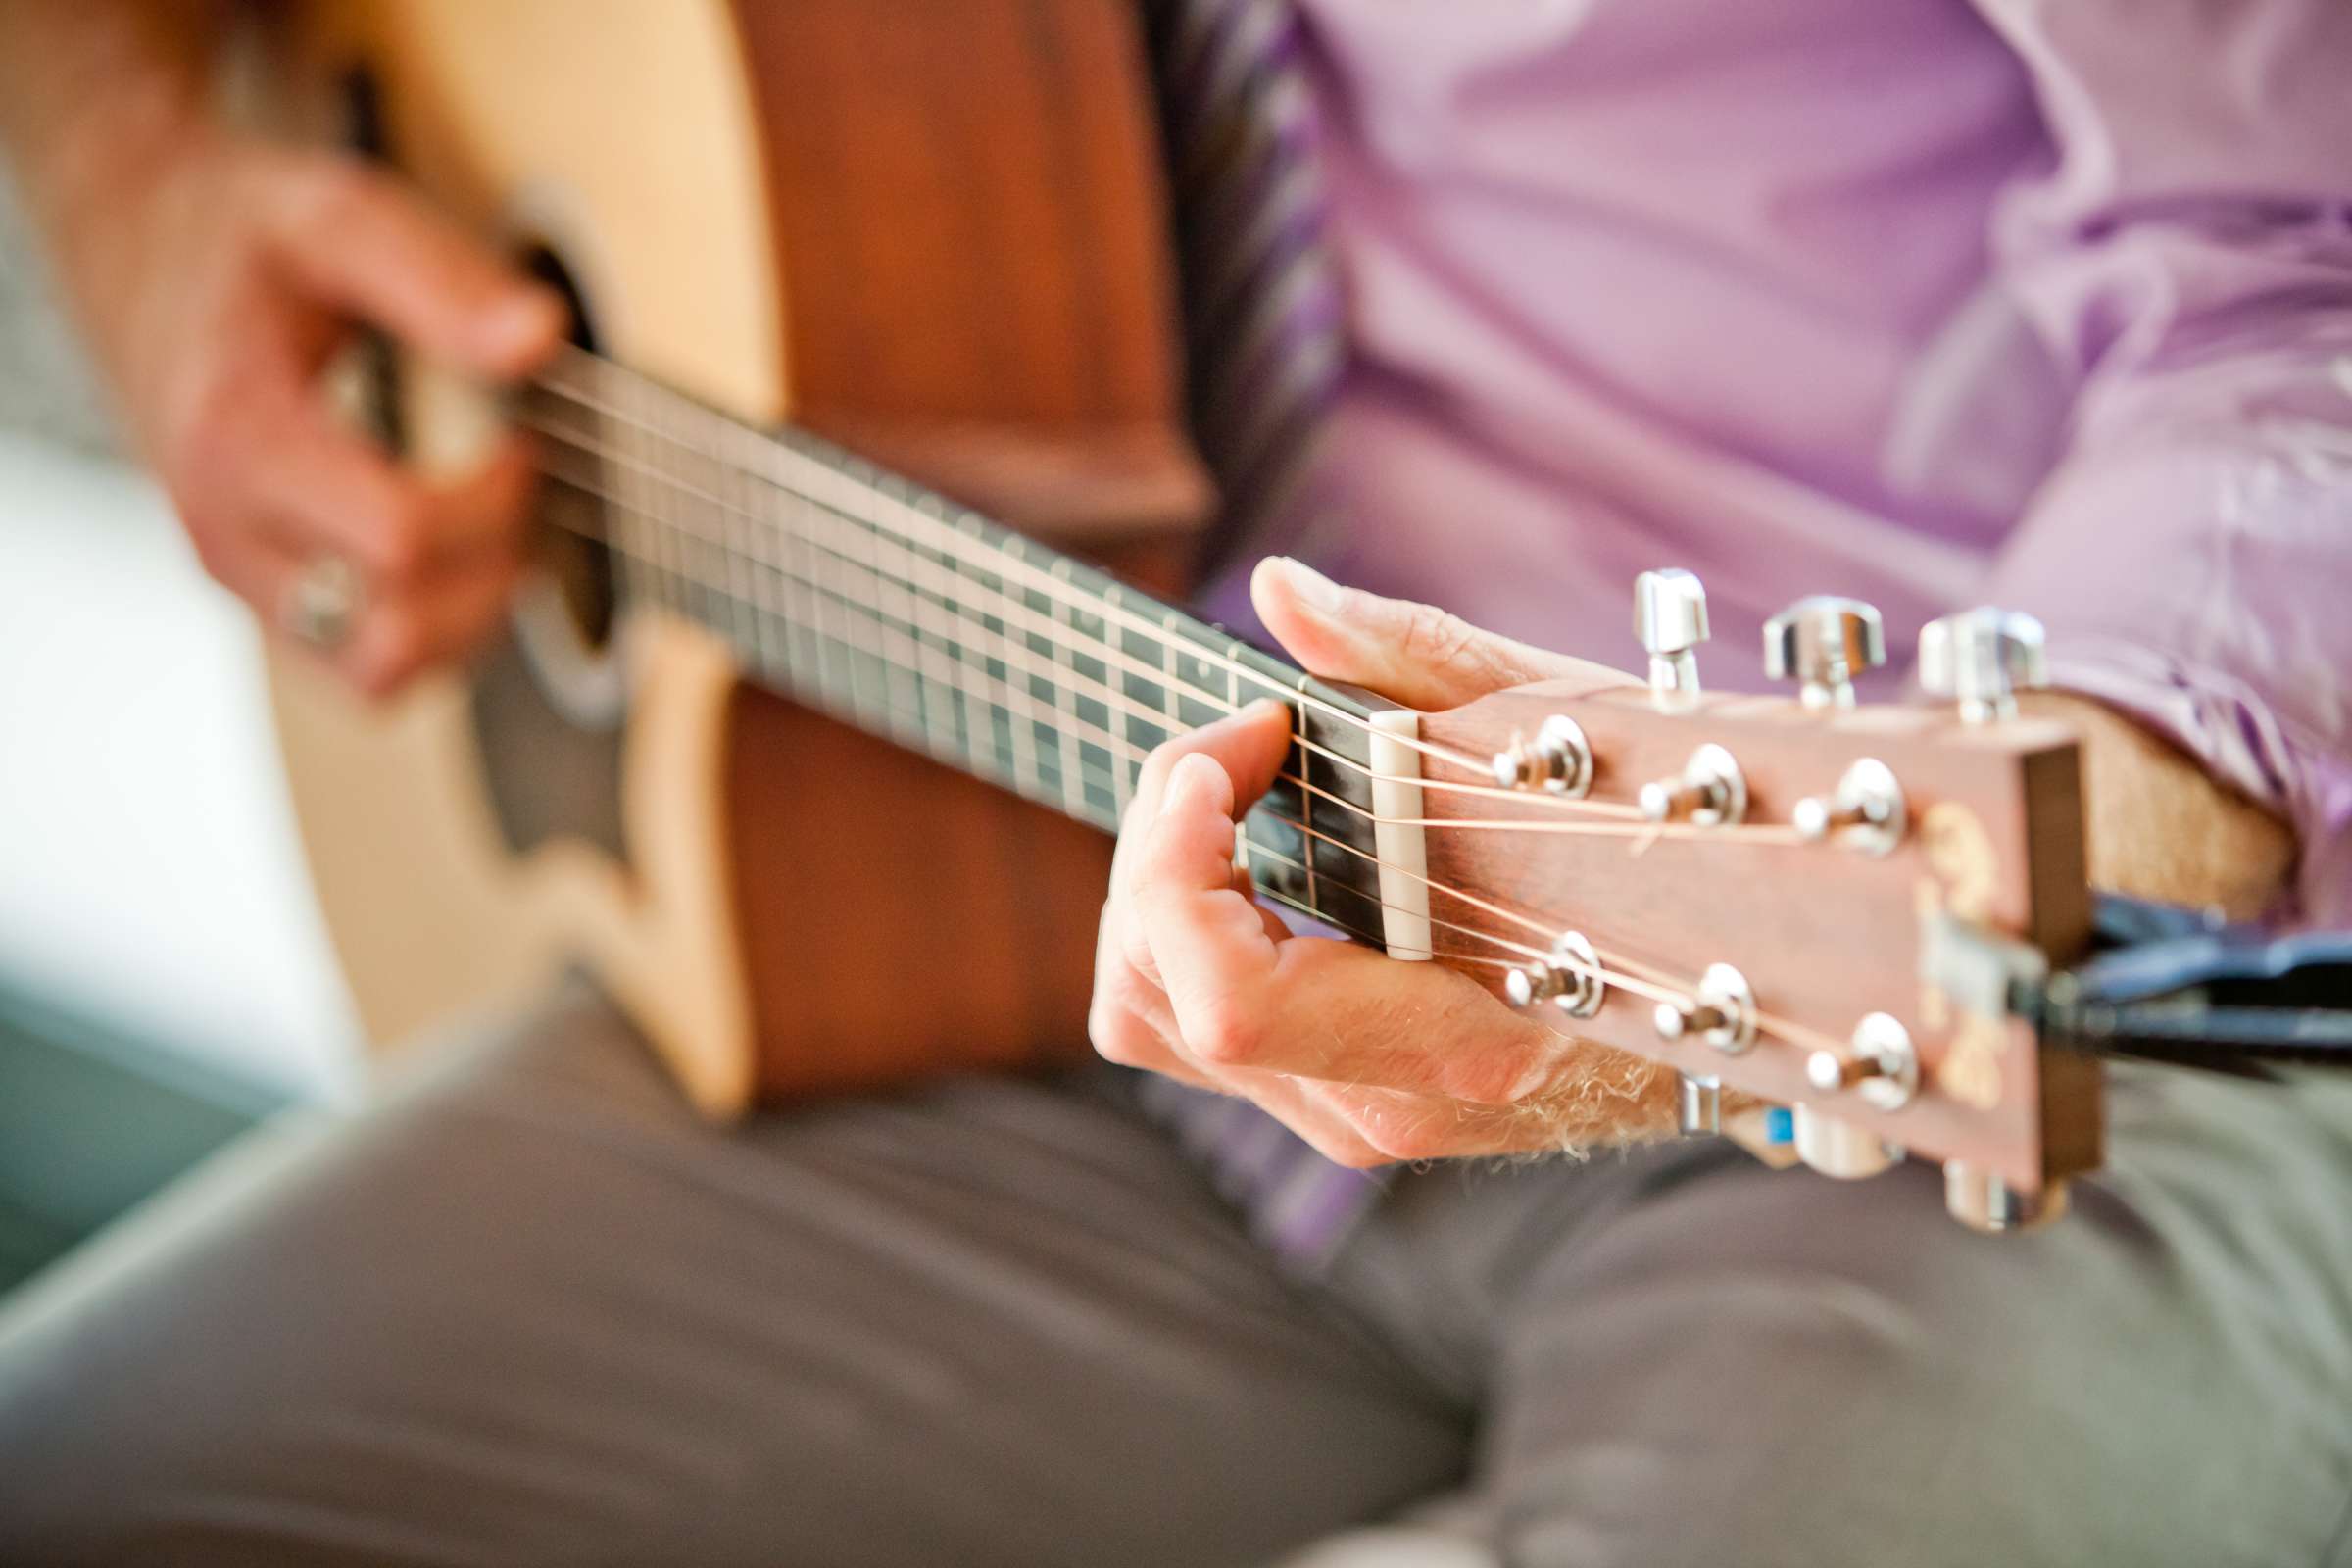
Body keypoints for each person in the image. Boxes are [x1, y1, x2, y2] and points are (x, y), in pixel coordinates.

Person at [2, 2, 2349, 1564]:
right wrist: (135, 175)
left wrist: (2024, 832)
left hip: (2001, 986)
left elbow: (2305, 291)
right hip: (962, 918)